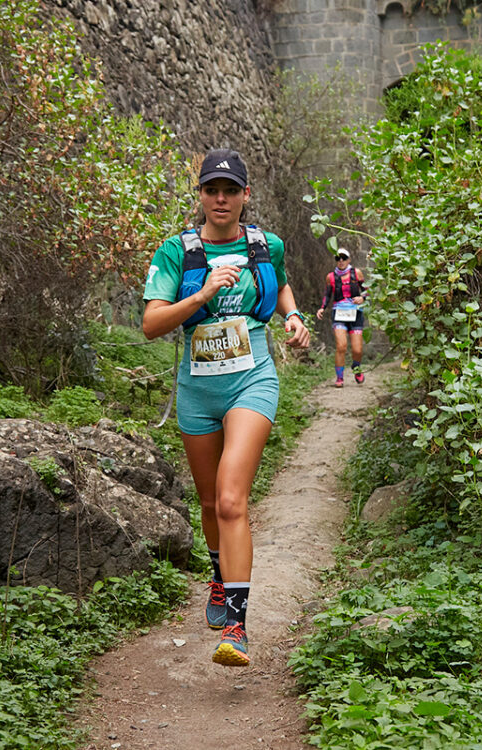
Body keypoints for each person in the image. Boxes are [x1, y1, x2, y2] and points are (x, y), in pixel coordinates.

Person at [142, 149, 310, 667]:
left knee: (233, 500)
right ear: (200, 195)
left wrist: (294, 315)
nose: (221, 199)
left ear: (244, 196)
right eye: (212, 189)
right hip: (197, 389)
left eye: (230, 190)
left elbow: (278, 282)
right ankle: (219, 576)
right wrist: (203, 294)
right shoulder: (176, 252)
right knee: (211, 502)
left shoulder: (267, 245)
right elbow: (151, 324)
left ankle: (235, 626)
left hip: (252, 381)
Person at [316, 247, 367, 387]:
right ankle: (339, 378)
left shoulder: (357, 273)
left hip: (355, 312)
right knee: (341, 346)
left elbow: (367, 291)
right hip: (339, 312)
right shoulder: (330, 277)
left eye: (344, 258)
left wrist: (362, 298)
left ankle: (356, 368)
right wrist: (322, 308)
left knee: (357, 349)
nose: (341, 261)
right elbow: (327, 295)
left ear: (349, 260)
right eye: (338, 258)